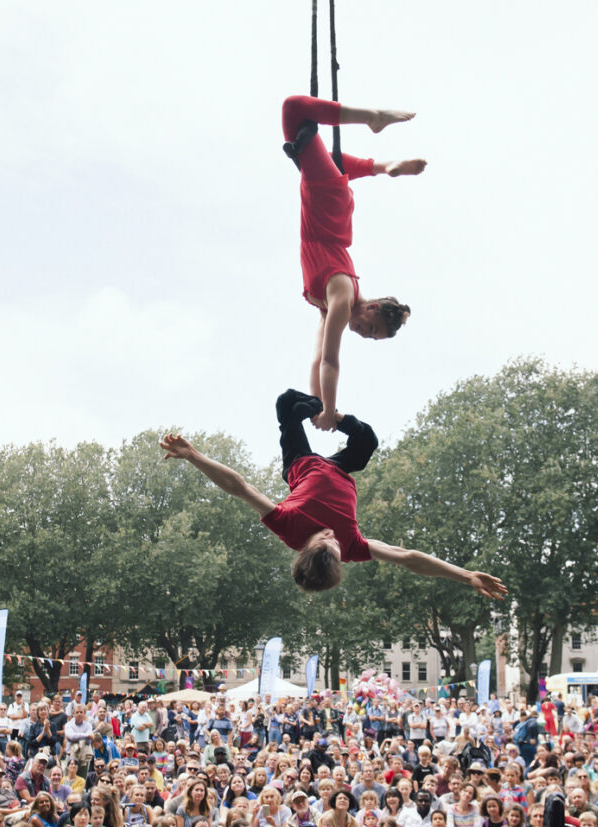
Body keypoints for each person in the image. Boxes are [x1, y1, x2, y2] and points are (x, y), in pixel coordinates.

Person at [160, 392, 506, 600]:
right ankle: (329, 413)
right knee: (368, 441)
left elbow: (241, 488)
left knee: (287, 404)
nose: (332, 535)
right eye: (336, 545)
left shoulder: (287, 526)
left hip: (302, 464)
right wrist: (466, 576)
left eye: (325, 540)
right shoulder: (352, 548)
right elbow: (408, 556)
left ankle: (309, 408)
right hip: (340, 469)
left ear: (307, 548)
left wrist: (194, 456)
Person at [279, 94, 423, 431]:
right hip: (327, 206)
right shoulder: (342, 297)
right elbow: (331, 360)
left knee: (327, 156)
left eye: (370, 338)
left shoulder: (331, 307)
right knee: (293, 111)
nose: (362, 333)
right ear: (371, 307)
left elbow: (317, 357)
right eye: (370, 328)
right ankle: (374, 117)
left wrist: (317, 406)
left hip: (327, 204)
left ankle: (384, 167)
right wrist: (330, 409)